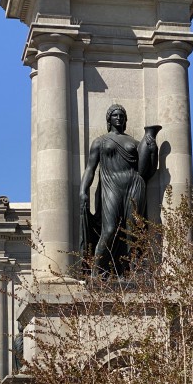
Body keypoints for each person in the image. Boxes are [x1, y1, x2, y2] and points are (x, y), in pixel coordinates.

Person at [80, 104, 160, 277]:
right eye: (115, 115)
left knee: (134, 230)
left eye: (122, 115)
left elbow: (146, 171)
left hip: (134, 184)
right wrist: (83, 190)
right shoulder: (100, 142)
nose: (119, 118)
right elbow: (90, 169)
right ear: (109, 119)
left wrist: (153, 151)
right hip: (111, 185)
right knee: (109, 230)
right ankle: (96, 272)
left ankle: (132, 271)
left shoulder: (134, 142)